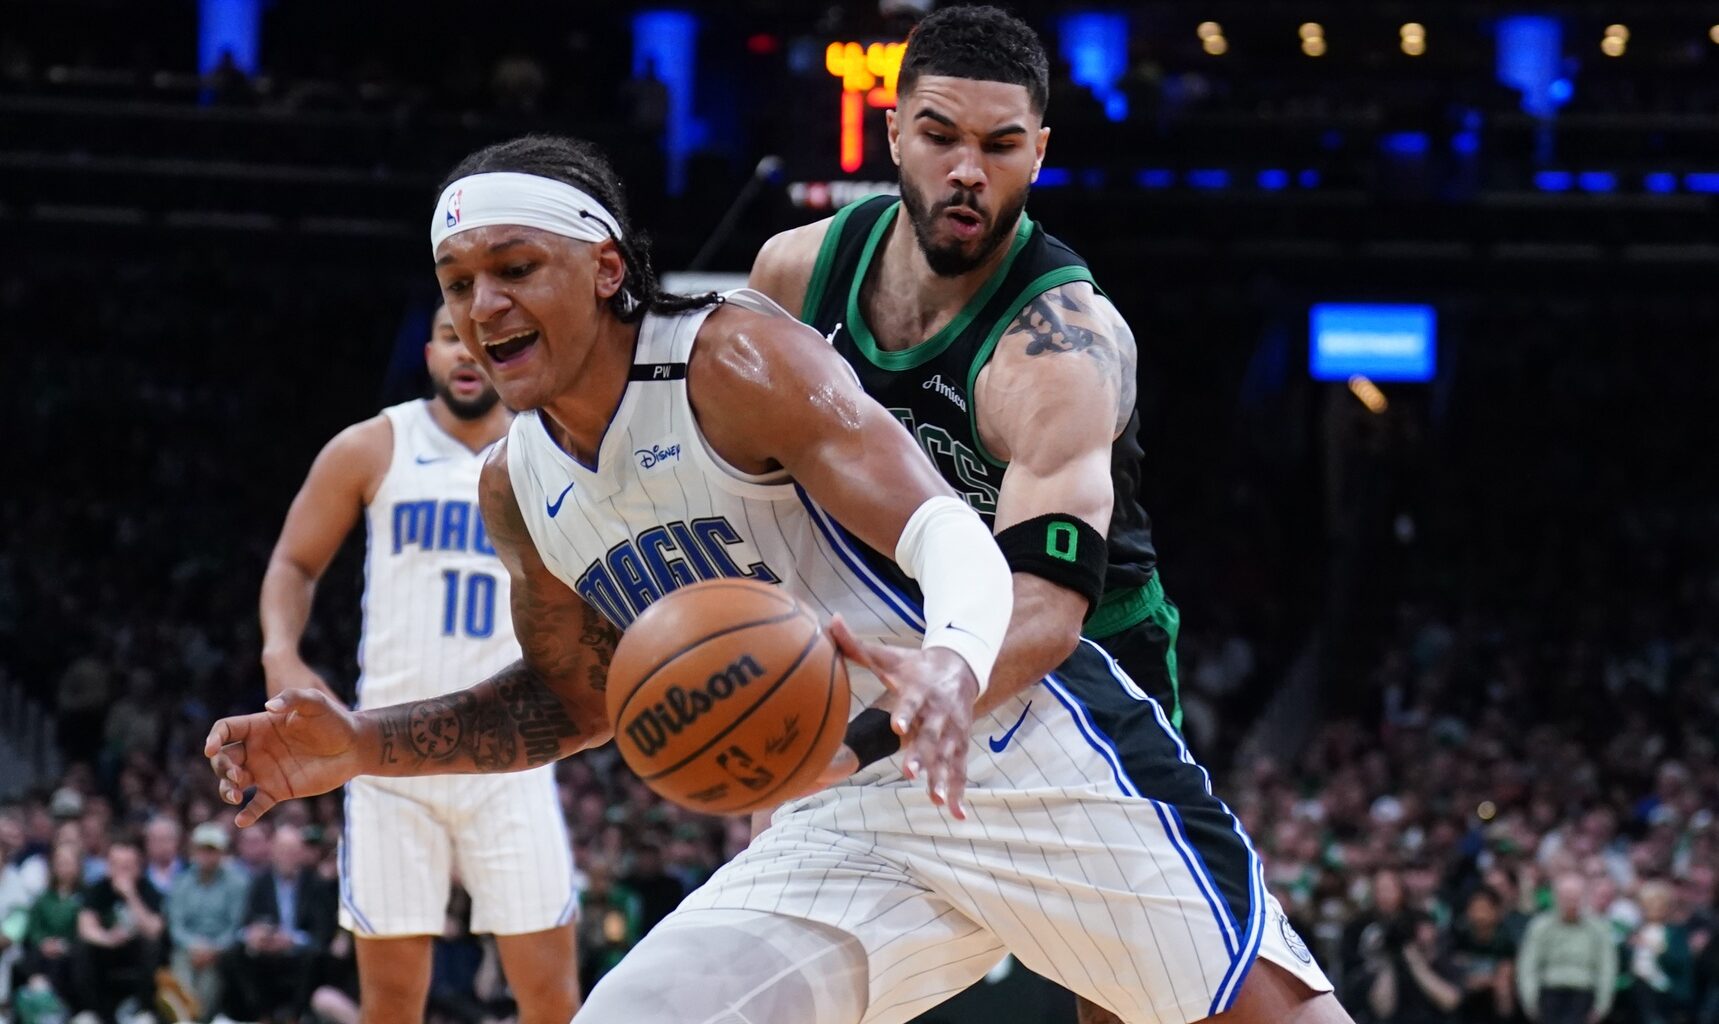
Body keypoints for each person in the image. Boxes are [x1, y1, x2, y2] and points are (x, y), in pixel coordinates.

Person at [204, 131, 1330, 1024]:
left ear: (604, 268)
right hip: (836, 799)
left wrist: (944, 665)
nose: (480, 305)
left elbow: (950, 537)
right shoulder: (517, 486)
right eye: (457, 282)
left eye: (513, 268)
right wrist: (361, 743)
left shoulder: (728, 356)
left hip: (1016, 748)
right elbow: (576, 698)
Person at [745, 7, 1341, 1024]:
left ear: (1039, 153)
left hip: (1078, 659)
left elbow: (1048, 610)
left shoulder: (1063, 342)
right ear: (893, 132)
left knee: (1126, 1003)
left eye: (999, 145)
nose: (967, 171)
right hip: (895, 643)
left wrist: (881, 721)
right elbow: (761, 502)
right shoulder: (792, 277)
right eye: (940, 136)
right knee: (774, 956)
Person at [256, 301, 579, 1023]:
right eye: (448, 338)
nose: (465, 352)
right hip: (386, 756)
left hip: (511, 752)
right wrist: (281, 652)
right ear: (428, 354)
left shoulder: (552, 448)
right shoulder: (374, 445)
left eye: (480, 340)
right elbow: (294, 562)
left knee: (552, 1000)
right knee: (393, 1003)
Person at [219, 824, 337, 1024]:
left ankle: (295, 1017)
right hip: (267, 949)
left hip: (299, 950)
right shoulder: (260, 882)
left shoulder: (315, 884)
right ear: (272, 852)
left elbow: (322, 931)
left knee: (314, 956)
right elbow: (246, 924)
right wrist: (256, 935)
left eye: (292, 851)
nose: (287, 857)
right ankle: (261, 1017)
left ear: (301, 853)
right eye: (282, 851)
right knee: (235, 954)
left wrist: (293, 940)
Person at [74, 837, 165, 1023]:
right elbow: (85, 927)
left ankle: (144, 1011)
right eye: (116, 865)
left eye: (127, 866)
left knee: (152, 946)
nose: (121, 872)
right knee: (82, 948)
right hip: (106, 950)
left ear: (138, 867)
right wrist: (107, 938)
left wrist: (130, 895)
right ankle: (92, 1013)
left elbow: (155, 929)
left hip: (136, 952)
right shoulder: (98, 889)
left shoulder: (147, 889)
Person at [165, 822, 248, 1020]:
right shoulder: (181, 882)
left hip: (219, 950)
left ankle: (196, 1018)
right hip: (187, 948)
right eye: (203, 849)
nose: (207, 856)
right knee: (180, 966)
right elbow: (176, 924)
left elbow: (236, 925)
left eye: (212, 850)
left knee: (211, 974)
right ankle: (183, 1018)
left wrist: (214, 948)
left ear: (222, 853)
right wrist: (194, 945)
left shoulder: (237, 883)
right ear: (193, 851)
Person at [1517, 872, 1618, 1024]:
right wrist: (1530, 1001)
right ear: (1555, 898)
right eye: (1566, 897)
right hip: (1549, 992)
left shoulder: (1599, 928)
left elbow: (1607, 968)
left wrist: (1602, 1005)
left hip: (1584, 993)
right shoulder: (1540, 926)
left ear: (1584, 899)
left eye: (1575, 898)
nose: (1571, 903)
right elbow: (1528, 965)